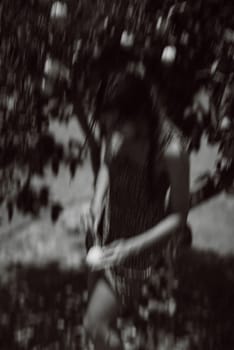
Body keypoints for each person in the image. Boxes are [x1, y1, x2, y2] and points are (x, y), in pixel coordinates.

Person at [82, 72, 190, 350]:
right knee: (100, 324)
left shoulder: (172, 150)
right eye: (107, 124)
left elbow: (179, 216)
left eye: (118, 124)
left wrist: (130, 248)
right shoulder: (114, 124)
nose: (111, 132)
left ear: (140, 113)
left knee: (95, 326)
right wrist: (96, 206)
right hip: (104, 234)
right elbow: (106, 164)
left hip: (136, 251)